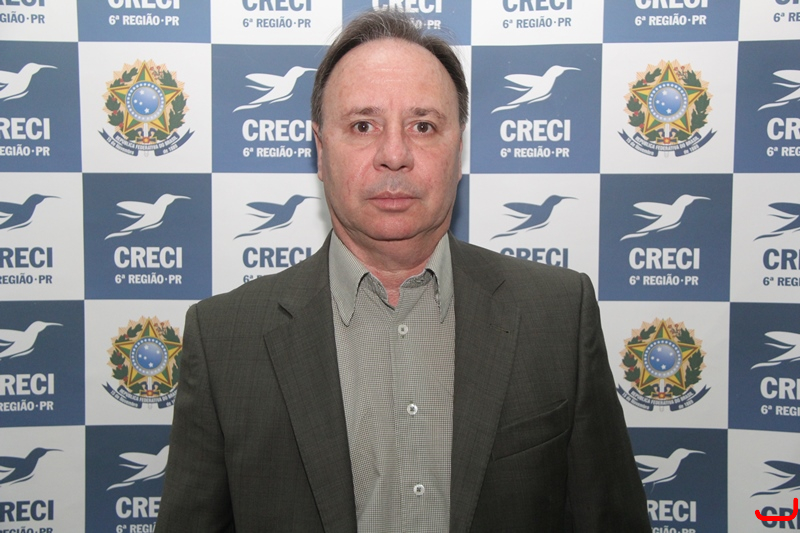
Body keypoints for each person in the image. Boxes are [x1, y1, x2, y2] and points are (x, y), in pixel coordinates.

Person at [156, 10, 650, 532]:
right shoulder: (224, 340)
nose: (394, 155)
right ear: (321, 151)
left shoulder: (557, 316)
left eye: (423, 126)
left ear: (458, 147)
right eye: (363, 126)